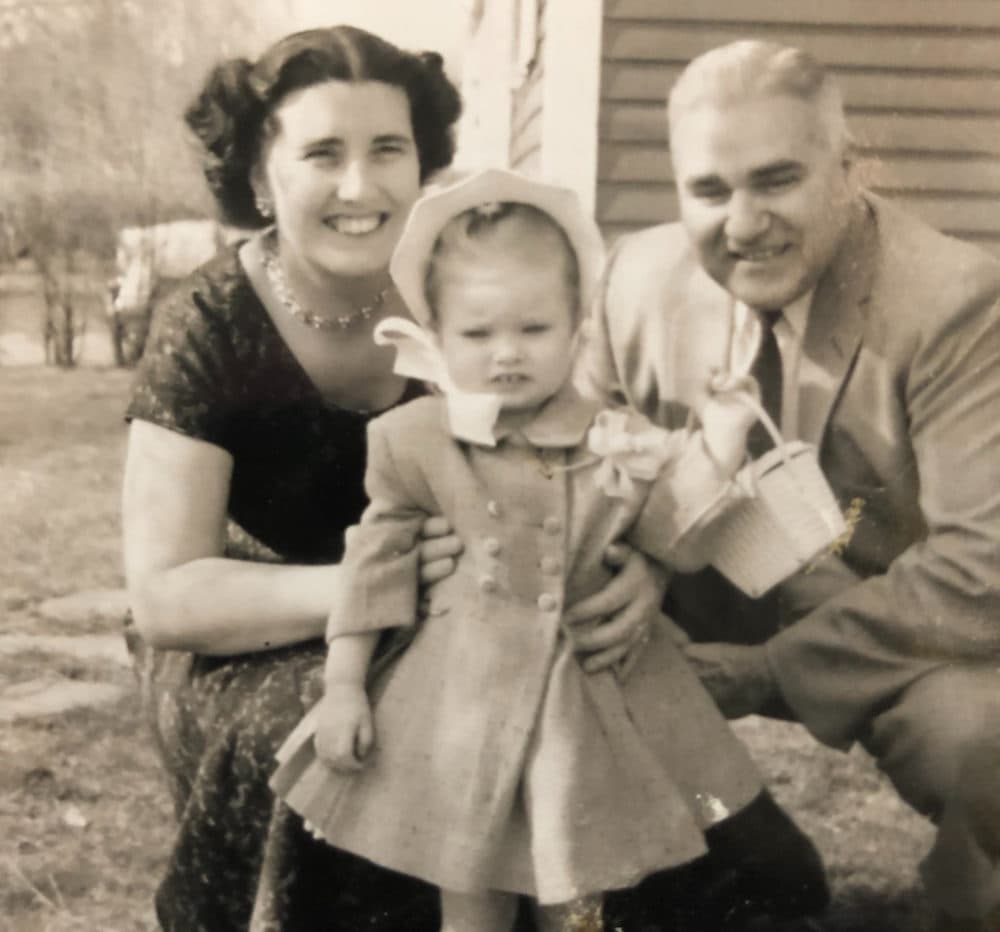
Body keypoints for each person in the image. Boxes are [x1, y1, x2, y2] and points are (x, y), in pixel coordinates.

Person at [121, 26, 678, 932]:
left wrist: (641, 569)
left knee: (609, 728)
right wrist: (376, 590)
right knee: (361, 737)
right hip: (251, 637)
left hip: (477, 613)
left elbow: (587, 453)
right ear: (261, 180)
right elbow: (167, 598)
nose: (359, 186)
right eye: (321, 153)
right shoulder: (207, 322)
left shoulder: (466, 288)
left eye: (387, 149)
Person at [269, 168, 780, 932]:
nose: (507, 354)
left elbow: (678, 532)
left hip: (583, 704)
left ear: (575, 327)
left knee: (576, 891)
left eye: (533, 330)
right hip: (459, 703)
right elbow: (373, 567)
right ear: (437, 336)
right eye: (478, 334)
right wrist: (345, 684)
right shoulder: (414, 443)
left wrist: (722, 441)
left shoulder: (617, 437)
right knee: (468, 888)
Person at [578, 38, 1000, 932]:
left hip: (887, 614)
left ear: (848, 170)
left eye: (776, 180)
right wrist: (638, 570)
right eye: (709, 190)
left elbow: (980, 570)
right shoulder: (631, 282)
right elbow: (568, 482)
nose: (742, 223)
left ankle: (970, 898)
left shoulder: (958, 302)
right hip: (690, 591)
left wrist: (770, 672)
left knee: (983, 745)